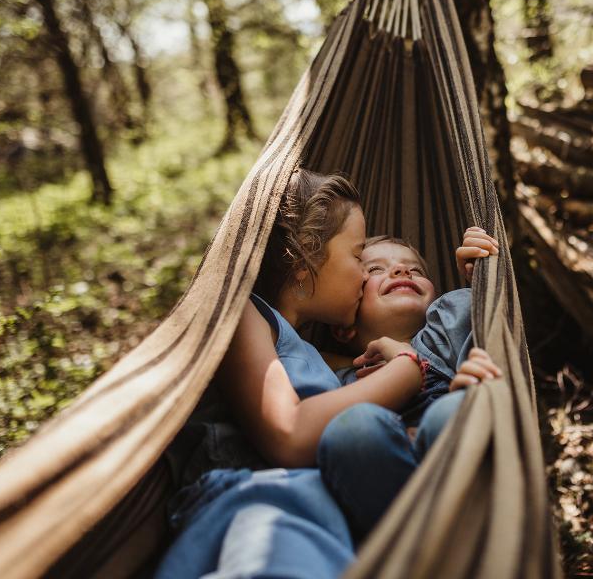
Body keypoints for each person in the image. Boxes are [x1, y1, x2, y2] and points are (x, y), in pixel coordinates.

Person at [156, 170, 499, 578]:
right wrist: (409, 366)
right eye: (360, 259)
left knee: (453, 416)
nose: (365, 273)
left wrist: (484, 289)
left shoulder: (321, 357)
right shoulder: (244, 314)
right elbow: (291, 432)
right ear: (304, 259)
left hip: (331, 516)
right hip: (264, 508)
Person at [316, 228, 502, 538]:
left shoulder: (449, 322)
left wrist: (482, 279)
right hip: (381, 480)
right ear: (343, 327)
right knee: (354, 429)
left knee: (455, 412)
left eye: (415, 270)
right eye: (375, 269)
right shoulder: (332, 378)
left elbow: (491, 326)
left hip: (452, 441)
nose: (402, 270)